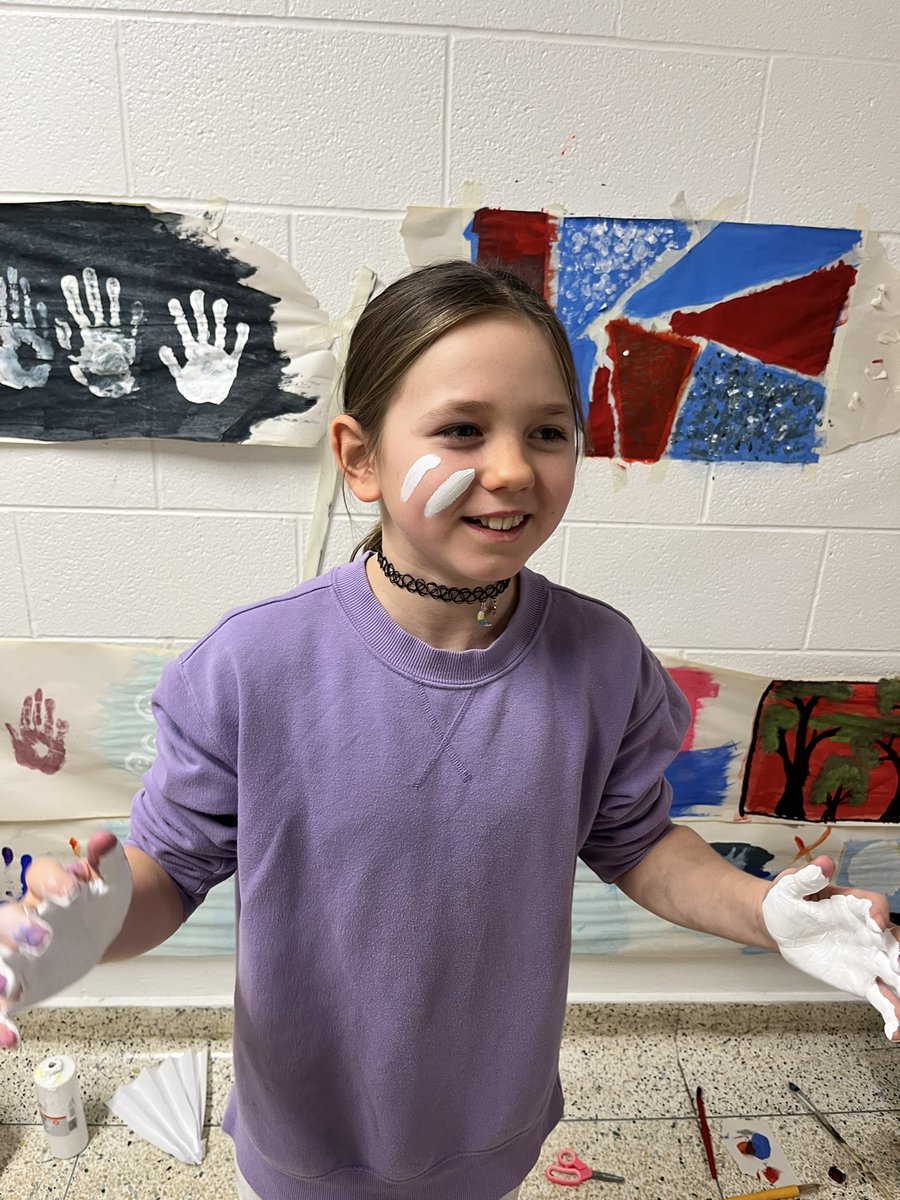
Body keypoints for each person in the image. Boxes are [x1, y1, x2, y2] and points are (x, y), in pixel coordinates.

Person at [1, 261, 898, 1200]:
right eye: (463, 430)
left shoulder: (602, 659)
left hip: (489, 1124)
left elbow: (636, 845)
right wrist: (82, 923)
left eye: (547, 432)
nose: (512, 468)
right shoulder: (249, 666)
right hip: (309, 1131)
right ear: (360, 459)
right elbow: (171, 872)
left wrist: (769, 914)